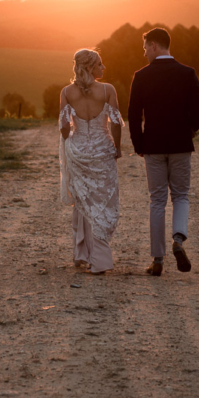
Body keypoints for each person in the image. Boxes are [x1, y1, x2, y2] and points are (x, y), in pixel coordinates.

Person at [127, 27, 199, 276]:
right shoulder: (188, 74)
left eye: (145, 48)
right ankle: (178, 241)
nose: (144, 54)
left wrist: (139, 145)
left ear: (154, 46)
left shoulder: (141, 76)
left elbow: (132, 114)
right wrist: (191, 129)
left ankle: (157, 260)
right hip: (181, 145)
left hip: (153, 146)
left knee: (157, 200)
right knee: (181, 195)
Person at [59, 49, 123, 274]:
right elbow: (115, 123)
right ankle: (100, 259)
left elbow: (64, 127)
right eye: (100, 64)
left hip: (78, 152)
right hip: (102, 151)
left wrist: (70, 146)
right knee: (104, 201)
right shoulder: (108, 90)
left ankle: (82, 254)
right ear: (89, 68)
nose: (103, 68)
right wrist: (117, 148)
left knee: (83, 200)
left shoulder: (67, 92)